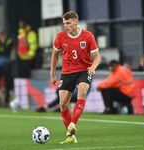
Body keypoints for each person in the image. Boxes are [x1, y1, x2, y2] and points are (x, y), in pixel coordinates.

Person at [50, 11, 101, 144]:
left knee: (82, 91)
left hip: (84, 70)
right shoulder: (60, 37)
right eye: (64, 23)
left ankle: (73, 123)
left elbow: (97, 57)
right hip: (67, 72)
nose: (65, 26)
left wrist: (93, 67)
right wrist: (53, 73)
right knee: (62, 104)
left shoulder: (88, 36)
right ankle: (71, 136)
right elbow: (55, 54)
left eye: (68, 23)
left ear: (76, 22)